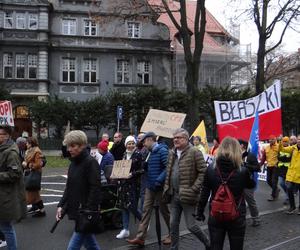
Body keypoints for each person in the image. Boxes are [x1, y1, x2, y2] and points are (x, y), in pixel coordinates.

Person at [197, 137, 255, 250]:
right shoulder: (242, 170)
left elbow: (204, 192)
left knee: (215, 246)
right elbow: (251, 185)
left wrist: (200, 211)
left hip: (216, 214)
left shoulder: (211, 168)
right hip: (236, 215)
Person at [164, 128, 210, 250]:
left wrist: (194, 188)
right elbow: (169, 171)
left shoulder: (195, 152)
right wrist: (166, 187)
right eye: (174, 137)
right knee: (173, 224)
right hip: (173, 195)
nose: (175, 139)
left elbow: (203, 172)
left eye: (178, 137)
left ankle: (208, 244)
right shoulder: (171, 152)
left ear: (185, 139)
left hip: (188, 195)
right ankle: (174, 248)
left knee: (191, 226)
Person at [56, 130, 101, 250]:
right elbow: (69, 187)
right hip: (77, 211)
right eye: (68, 146)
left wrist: (88, 212)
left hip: (84, 213)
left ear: (82, 145)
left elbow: (95, 189)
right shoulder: (73, 163)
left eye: (73, 146)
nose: (69, 149)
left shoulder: (91, 163)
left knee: (73, 247)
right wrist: (62, 206)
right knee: (91, 244)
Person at [127, 132, 171, 246]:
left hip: (159, 187)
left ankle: (172, 233)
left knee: (164, 211)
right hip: (150, 186)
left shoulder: (162, 150)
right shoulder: (150, 153)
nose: (144, 144)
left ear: (151, 140)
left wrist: (159, 180)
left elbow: (168, 168)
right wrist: (146, 167)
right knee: (146, 211)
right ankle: (141, 237)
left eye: (145, 141)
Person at [0, 125, 27, 250]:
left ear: (7, 136)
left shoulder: (10, 152)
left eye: (0, 134)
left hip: (6, 196)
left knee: (6, 227)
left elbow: (15, 174)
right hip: (3, 194)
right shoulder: (3, 149)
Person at [116, 136, 143, 239]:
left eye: (132, 143)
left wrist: (132, 174)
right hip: (123, 185)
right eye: (129, 143)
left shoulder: (138, 155)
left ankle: (144, 222)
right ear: (126, 145)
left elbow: (142, 170)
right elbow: (121, 168)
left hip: (133, 185)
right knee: (124, 207)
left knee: (133, 207)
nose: (131, 145)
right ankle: (125, 229)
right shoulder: (124, 155)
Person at [238, 139, 261, 226]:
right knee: (238, 202)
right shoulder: (235, 155)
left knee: (251, 202)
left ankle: (256, 219)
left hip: (247, 183)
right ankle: (240, 218)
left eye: (237, 144)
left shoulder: (250, 155)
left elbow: (257, 168)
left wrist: (245, 164)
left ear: (242, 145)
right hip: (237, 182)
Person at [22, 137, 46, 217]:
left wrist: (28, 165)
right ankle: (41, 211)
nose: (26, 144)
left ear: (31, 143)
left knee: (31, 193)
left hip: (34, 174)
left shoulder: (36, 151)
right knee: (35, 194)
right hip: (30, 173)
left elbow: (39, 164)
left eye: (27, 143)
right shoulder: (29, 151)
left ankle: (22, 212)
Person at [279, 135, 300, 214]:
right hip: (291, 174)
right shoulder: (293, 148)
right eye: (298, 139)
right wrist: (280, 141)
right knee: (289, 189)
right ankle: (292, 207)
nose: (299, 141)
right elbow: (283, 149)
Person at [260, 135, 279, 201]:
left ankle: (273, 195)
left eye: (272, 139)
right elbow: (263, 158)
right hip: (269, 166)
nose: (271, 140)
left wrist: (278, 163)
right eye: (270, 139)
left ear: (275, 139)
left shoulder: (279, 147)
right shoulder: (266, 148)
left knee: (274, 181)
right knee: (268, 181)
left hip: (276, 167)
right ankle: (276, 189)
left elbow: (281, 156)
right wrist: (260, 165)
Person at [136, 133, 149, 214]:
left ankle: (142, 210)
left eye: (140, 138)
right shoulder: (136, 149)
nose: (139, 140)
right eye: (138, 138)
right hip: (137, 174)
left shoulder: (146, 149)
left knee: (143, 193)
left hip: (144, 174)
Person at [277, 137, 292, 205]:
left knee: (287, 184)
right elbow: (278, 157)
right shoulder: (280, 149)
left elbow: (290, 159)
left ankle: (287, 198)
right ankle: (289, 194)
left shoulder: (291, 149)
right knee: (281, 183)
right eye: (283, 141)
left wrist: (283, 158)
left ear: (288, 142)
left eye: (286, 141)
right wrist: (284, 158)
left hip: (288, 169)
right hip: (281, 169)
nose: (284, 142)